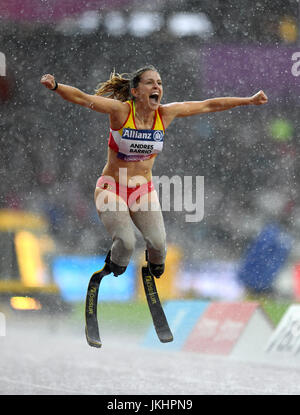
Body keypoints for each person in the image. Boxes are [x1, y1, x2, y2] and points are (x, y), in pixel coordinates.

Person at [40, 65, 268, 278]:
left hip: (142, 190)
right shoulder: (120, 111)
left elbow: (209, 104)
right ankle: (115, 265)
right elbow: (83, 98)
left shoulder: (165, 114)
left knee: (159, 245)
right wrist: (56, 86)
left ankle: (153, 266)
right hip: (112, 188)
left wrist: (248, 100)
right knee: (126, 243)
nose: (156, 87)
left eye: (159, 82)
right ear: (136, 91)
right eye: (150, 83)